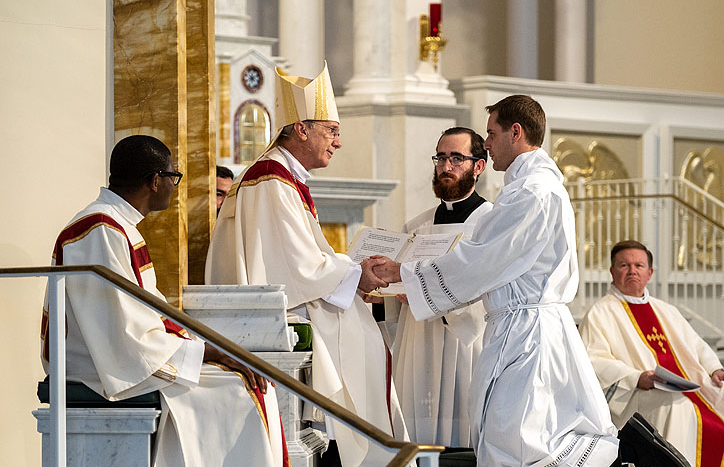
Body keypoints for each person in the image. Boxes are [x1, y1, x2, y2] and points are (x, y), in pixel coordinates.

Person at [369, 95, 619, 466]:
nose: (487, 142)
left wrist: (401, 273)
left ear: (515, 133)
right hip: (519, 328)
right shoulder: (527, 188)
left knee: (518, 446)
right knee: (510, 440)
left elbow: (480, 262)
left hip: (526, 335)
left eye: (491, 132)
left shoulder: (532, 192)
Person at [39, 135, 287, 467]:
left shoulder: (117, 225)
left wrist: (206, 349)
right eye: (173, 176)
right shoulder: (101, 229)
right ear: (155, 181)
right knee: (239, 392)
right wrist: (210, 352)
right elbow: (123, 335)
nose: (174, 185)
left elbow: (144, 314)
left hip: (119, 360)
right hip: (98, 370)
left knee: (246, 383)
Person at [205, 63, 409, 467]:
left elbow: (300, 259)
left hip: (284, 310)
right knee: (364, 341)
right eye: (331, 130)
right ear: (300, 128)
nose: (338, 142)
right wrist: (355, 274)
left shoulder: (282, 177)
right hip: (276, 319)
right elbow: (296, 269)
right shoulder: (272, 180)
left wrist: (352, 274)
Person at [578, 240, 724, 467]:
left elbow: (697, 345)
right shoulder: (600, 313)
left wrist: (716, 369)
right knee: (678, 406)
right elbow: (593, 361)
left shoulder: (665, 310)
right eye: (624, 265)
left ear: (650, 273)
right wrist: (637, 378)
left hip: (687, 383)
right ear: (612, 272)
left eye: (639, 265)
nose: (632, 270)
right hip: (637, 392)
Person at [386, 126, 493, 448]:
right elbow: (393, 296)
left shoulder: (490, 222)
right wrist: (381, 291)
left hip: (465, 344)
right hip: (416, 341)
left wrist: (426, 293)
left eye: (457, 158)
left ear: (479, 166)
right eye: (441, 157)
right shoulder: (416, 226)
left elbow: (485, 287)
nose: (446, 167)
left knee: (462, 431)